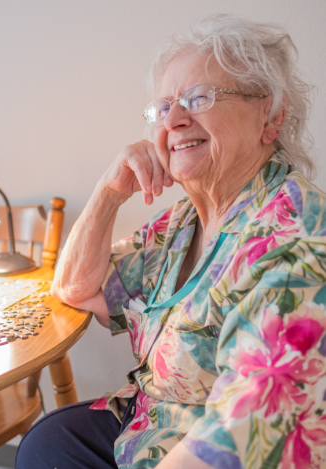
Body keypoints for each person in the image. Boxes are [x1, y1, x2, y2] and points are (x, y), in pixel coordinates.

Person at [16, 14, 326, 469]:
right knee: (48, 443)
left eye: (199, 99)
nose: (175, 120)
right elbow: (77, 288)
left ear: (270, 118)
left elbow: (247, 436)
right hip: (149, 425)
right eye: (164, 108)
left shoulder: (292, 237)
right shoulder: (183, 221)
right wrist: (110, 190)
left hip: (201, 451)